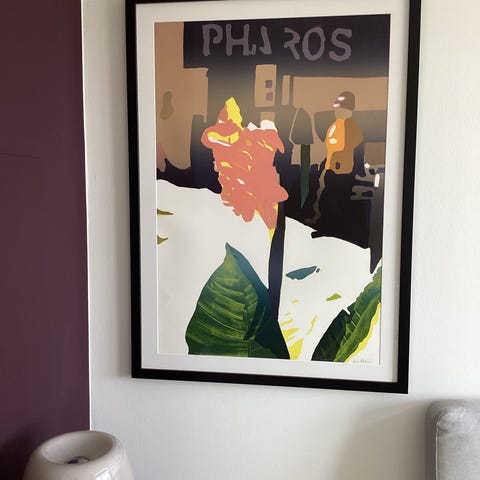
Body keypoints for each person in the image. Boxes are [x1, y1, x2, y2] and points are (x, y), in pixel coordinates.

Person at [308, 91, 364, 224]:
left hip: (341, 170)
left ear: (348, 109)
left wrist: (335, 164)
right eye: (337, 107)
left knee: (336, 198)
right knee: (324, 195)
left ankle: (332, 224)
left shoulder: (351, 127)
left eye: (340, 108)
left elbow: (349, 148)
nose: (337, 111)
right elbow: (329, 146)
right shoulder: (335, 125)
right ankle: (322, 220)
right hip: (330, 166)